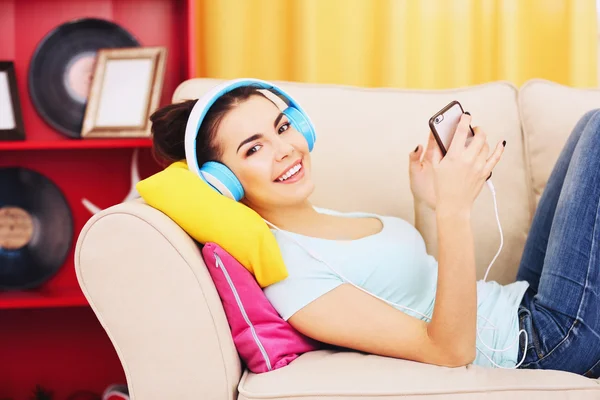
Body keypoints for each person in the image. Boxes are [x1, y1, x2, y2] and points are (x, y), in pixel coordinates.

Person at [149, 83, 600, 378]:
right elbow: (449, 349)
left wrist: (430, 202)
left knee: (585, 126)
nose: (285, 149)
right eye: (254, 149)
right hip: (539, 346)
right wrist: (455, 210)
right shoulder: (294, 279)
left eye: (283, 127)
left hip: (520, 304)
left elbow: (417, 286)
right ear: (221, 182)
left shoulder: (321, 213)